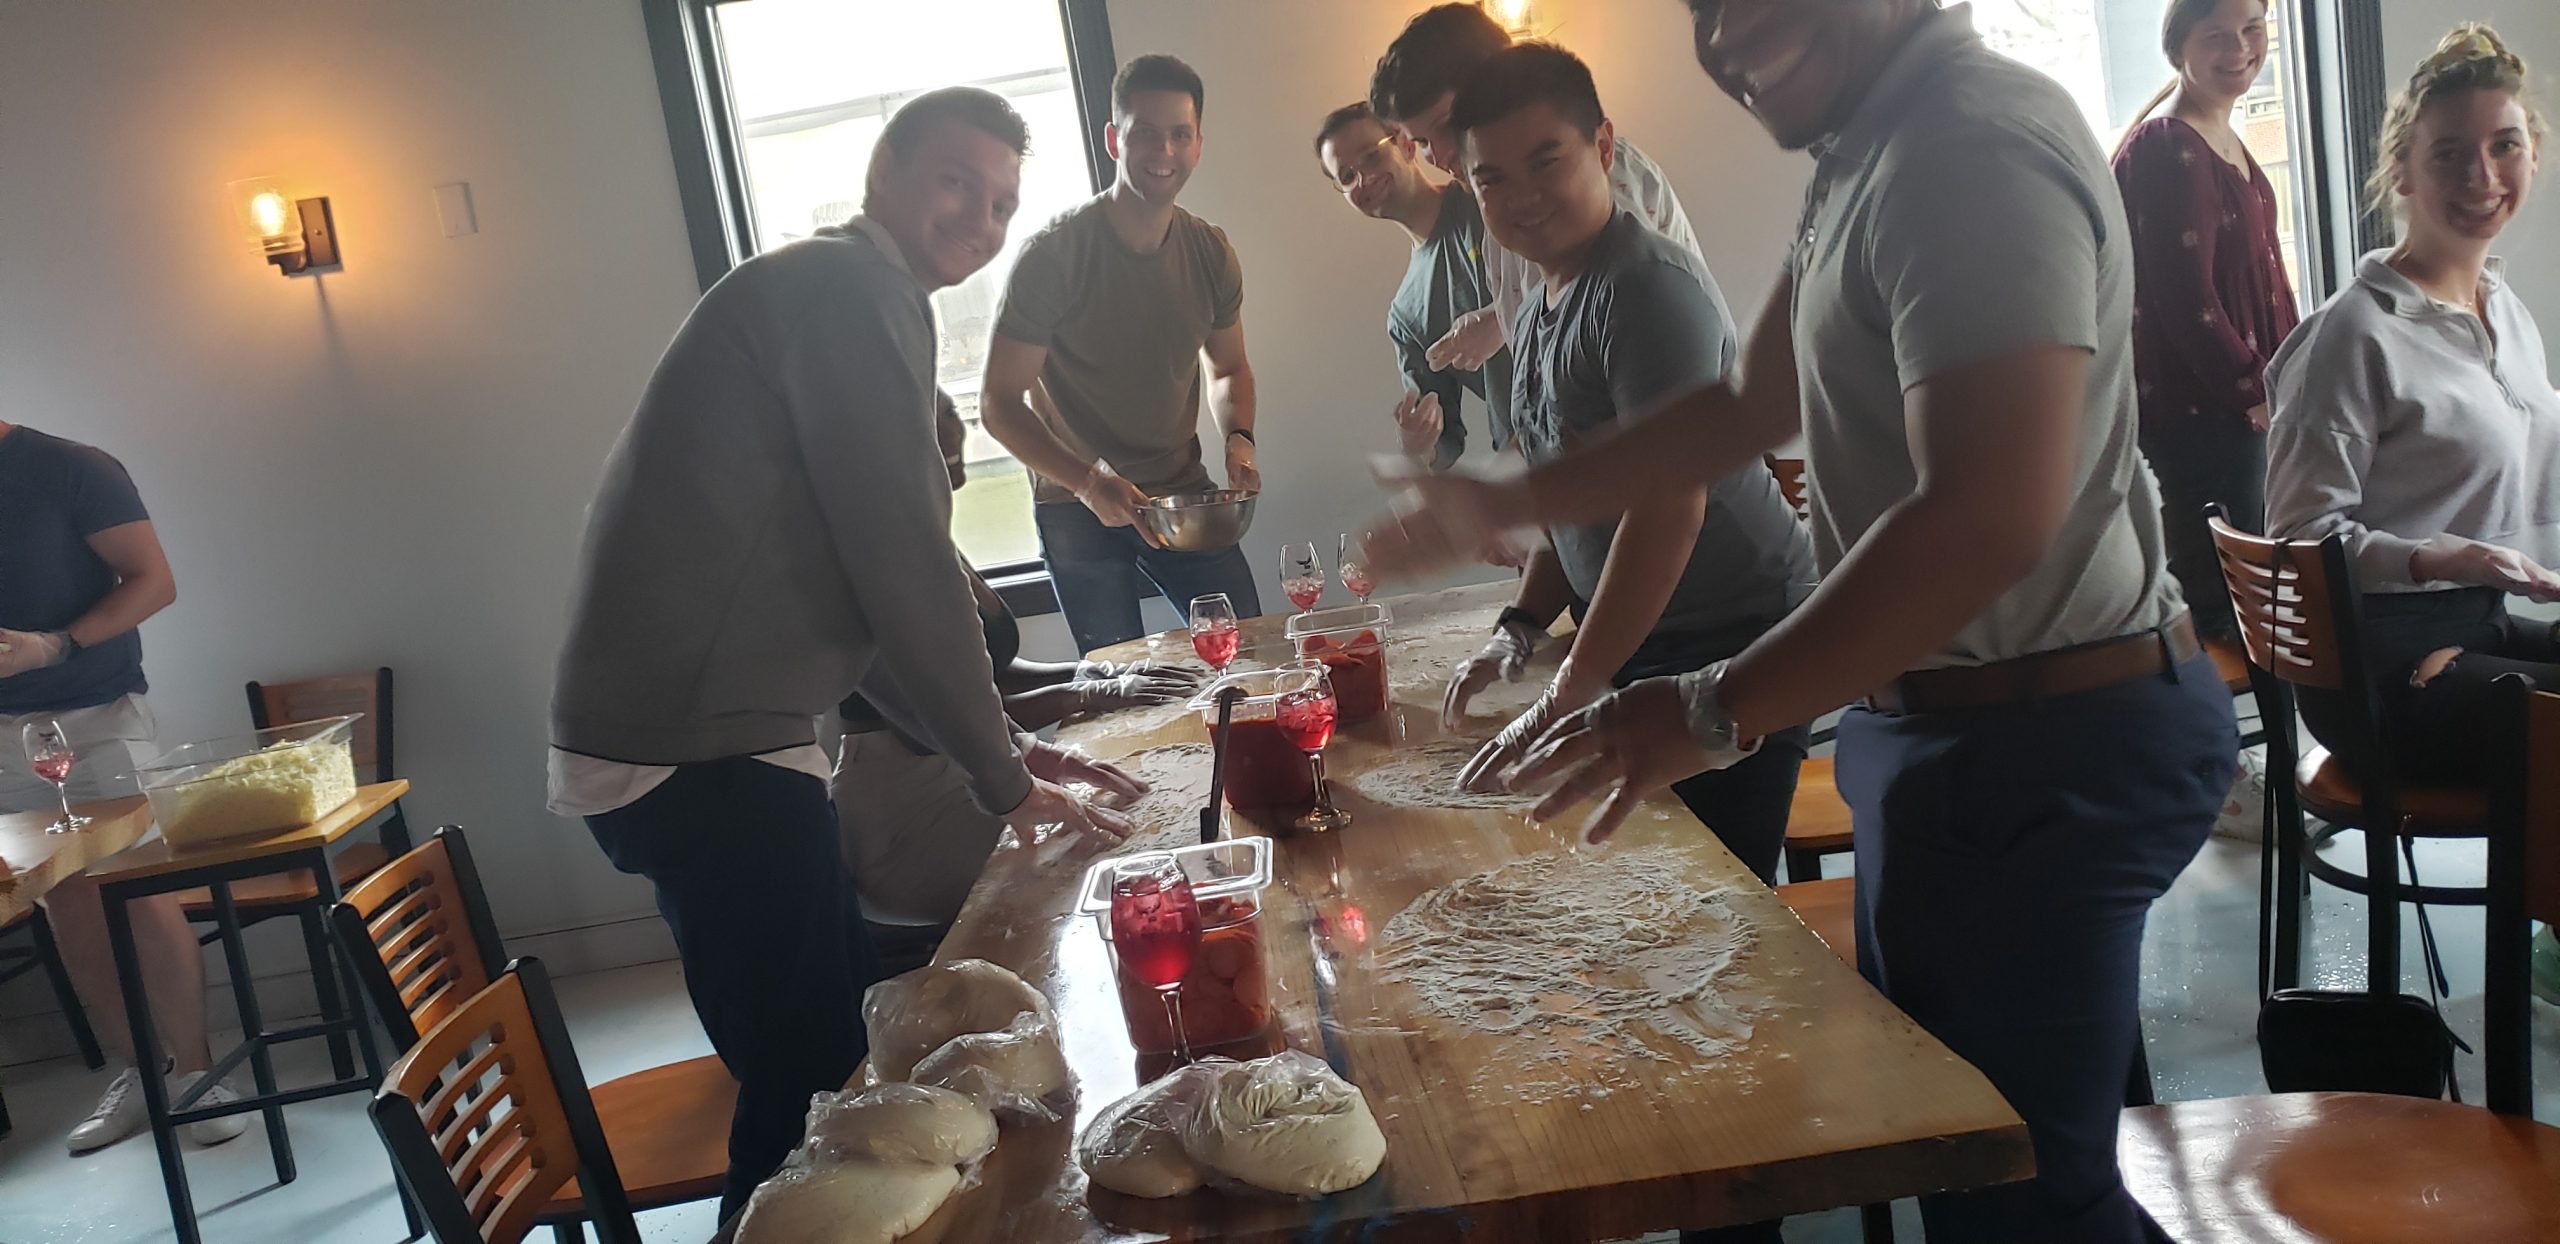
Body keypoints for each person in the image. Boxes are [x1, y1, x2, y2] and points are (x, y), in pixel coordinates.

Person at [1364, 4, 2235, 1239]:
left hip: (2044, 735)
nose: (1728, 32)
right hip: (1945, 729)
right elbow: (1743, 403)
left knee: (2023, 1203)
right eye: (1705, 7)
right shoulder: (1865, 148)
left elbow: (1987, 513)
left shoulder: (1964, 144)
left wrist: (1714, 706)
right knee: (1981, 1172)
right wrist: (1509, 501)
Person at [549, 87, 1139, 1217]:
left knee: (818, 1064)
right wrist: (1001, 776)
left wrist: (1002, 748)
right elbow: (904, 563)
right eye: (956, 181)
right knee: (811, 1088)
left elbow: (860, 610)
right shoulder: (853, 288)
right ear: (885, 173)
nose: (980, 216)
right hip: (701, 751)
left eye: (1002, 202)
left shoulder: (837, 292)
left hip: (685, 745)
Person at [1437, 43, 1818, 897]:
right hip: (1638, 639)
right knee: (1626, 893)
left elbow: (1666, 512)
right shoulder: (1540, 302)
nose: (1522, 197)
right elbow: (1574, 503)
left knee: (1712, 907)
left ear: (1604, 147)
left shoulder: (1646, 288)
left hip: (1737, 639)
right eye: (1492, 178)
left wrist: (1569, 687)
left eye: (1546, 161)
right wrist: (1519, 627)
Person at [2267, 24, 2556, 786]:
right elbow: (2298, 542)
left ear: (2533, 153)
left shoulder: (2503, 309)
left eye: (2504, 145)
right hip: (2377, 665)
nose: (2482, 175)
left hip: (2479, 623)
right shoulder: (2351, 334)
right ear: (2401, 173)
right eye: (2449, 154)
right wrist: (2440, 557)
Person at [837, 391, 1199, 977]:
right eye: (940, 454)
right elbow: (937, 717)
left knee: (1137, 818)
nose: (956, 465)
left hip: (973, 774)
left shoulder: (929, 536)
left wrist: (1089, 673)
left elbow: (990, 671)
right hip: (907, 812)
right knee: (1100, 865)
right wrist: (1081, 698)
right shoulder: (872, 553)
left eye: (957, 445)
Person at [0, 421, 245, 1155]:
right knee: (66, 903)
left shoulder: (70, 466)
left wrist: (54, 644)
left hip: (97, 715)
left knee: (137, 893)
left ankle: (197, 1074)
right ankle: (141, 1073)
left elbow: (154, 580)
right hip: (2, 735)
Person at [982, 55, 1266, 653]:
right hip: (1076, 503)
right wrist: (1090, 485)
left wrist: (1240, 440)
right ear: (1114, 140)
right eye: (1145, 133)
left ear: (1198, 146)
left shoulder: (1210, 252)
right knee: (1115, 682)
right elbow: (999, 404)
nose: (1163, 150)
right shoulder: (1052, 257)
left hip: (1180, 494)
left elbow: (1229, 368)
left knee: (1248, 653)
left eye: (1180, 134)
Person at [2112, 0, 2300, 842]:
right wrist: (2253, 387)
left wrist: (2292, 378)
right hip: (2200, 420)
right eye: (2218, 34)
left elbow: (2261, 281)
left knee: (2244, 603)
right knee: (2223, 608)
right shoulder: (2169, 145)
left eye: (2253, 28)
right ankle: (2218, 782)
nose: (2241, 48)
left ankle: (2243, 777)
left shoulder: (2223, 139)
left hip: (2238, 414)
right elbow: (2182, 299)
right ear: (2178, 46)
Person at [1368, 3, 1704, 401]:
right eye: (1422, 142)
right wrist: (1497, 320)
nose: (1438, 155)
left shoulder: (1602, 182)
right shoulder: (1502, 210)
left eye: (1446, 124)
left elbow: (1634, 343)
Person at [1315, 100, 1501, 470]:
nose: (1364, 180)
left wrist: (1502, 320)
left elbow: (1581, 274)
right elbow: (1442, 443)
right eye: (1347, 176)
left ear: (1404, 142)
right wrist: (1417, 445)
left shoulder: (1485, 198)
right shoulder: (1405, 315)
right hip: (1534, 461)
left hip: (1610, 417)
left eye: (1371, 156)